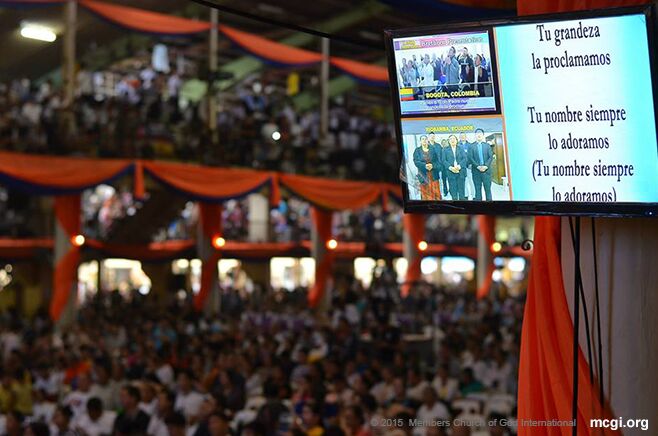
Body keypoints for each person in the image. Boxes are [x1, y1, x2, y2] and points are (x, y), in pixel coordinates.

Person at [412, 135, 442, 201]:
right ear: (420, 141)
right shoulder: (417, 150)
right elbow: (416, 161)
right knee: (426, 193)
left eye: (425, 139)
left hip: (433, 174)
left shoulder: (432, 149)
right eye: (422, 139)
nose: (424, 140)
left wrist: (432, 165)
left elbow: (437, 161)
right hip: (423, 175)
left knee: (436, 192)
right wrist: (425, 165)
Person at [468, 128, 493, 201]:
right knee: (477, 191)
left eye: (480, 134)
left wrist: (486, 166)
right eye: (477, 134)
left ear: (483, 135)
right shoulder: (471, 146)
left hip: (486, 171)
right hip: (476, 172)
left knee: (488, 191)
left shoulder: (487, 145)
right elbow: (470, 158)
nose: (479, 135)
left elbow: (490, 157)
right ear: (475, 136)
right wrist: (478, 166)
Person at [441, 135, 467, 200]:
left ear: (456, 140)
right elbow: (443, 160)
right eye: (450, 139)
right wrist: (451, 168)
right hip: (450, 173)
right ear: (449, 141)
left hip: (460, 172)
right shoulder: (445, 150)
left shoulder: (461, 148)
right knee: (453, 192)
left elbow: (465, 158)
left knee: (462, 192)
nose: (452, 140)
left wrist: (459, 166)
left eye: (454, 139)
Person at [458, 133, 474, 201]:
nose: (462, 137)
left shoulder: (470, 145)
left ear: (466, 137)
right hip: (461, 167)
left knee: (471, 181)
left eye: (463, 136)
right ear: (459, 137)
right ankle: (465, 195)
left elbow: (472, 155)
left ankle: (473, 195)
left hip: (469, 166)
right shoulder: (457, 145)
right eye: (461, 136)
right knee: (463, 182)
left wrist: (471, 164)